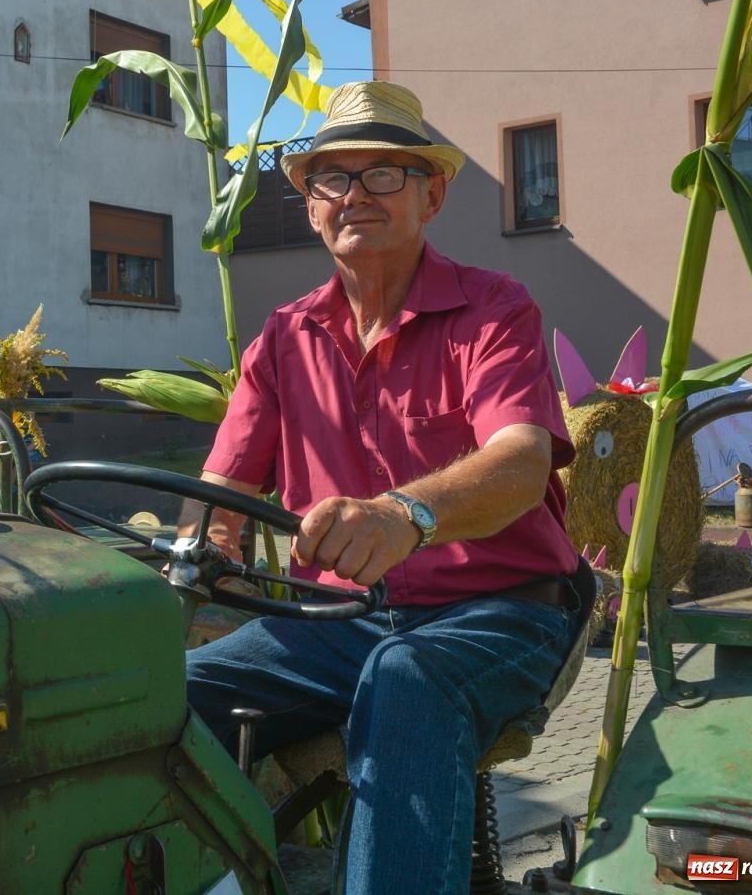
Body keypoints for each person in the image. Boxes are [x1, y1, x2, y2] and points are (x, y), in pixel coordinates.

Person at [184, 81, 581, 895]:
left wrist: (409, 513)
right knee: (157, 696)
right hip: (334, 623)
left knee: (406, 676)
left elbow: (520, 463)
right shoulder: (284, 337)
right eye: (334, 177)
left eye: (384, 174)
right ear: (310, 206)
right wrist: (199, 554)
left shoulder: (493, 309)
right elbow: (220, 489)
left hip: (499, 613)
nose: (355, 194)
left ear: (431, 195)